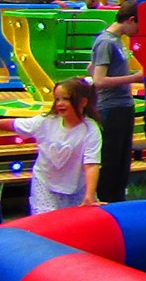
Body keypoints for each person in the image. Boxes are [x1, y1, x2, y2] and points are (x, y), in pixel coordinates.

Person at [11, 79, 102, 215]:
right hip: (46, 182)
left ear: (83, 102)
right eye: (57, 99)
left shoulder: (90, 129)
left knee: (72, 224)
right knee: (45, 218)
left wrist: (89, 195)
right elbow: (16, 124)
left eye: (65, 99)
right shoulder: (46, 121)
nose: (60, 103)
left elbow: (91, 164)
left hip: (75, 187)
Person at [88, 0, 146, 205]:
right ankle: (107, 200)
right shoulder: (107, 41)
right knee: (112, 161)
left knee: (122, 160)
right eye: (139, 25)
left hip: (123, 105)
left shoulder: (116, 41)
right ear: (131, 20)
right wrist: (134, 78)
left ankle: (117, 199)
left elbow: (91, 68)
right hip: (111, 108)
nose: (138, 31)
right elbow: (99, 80)